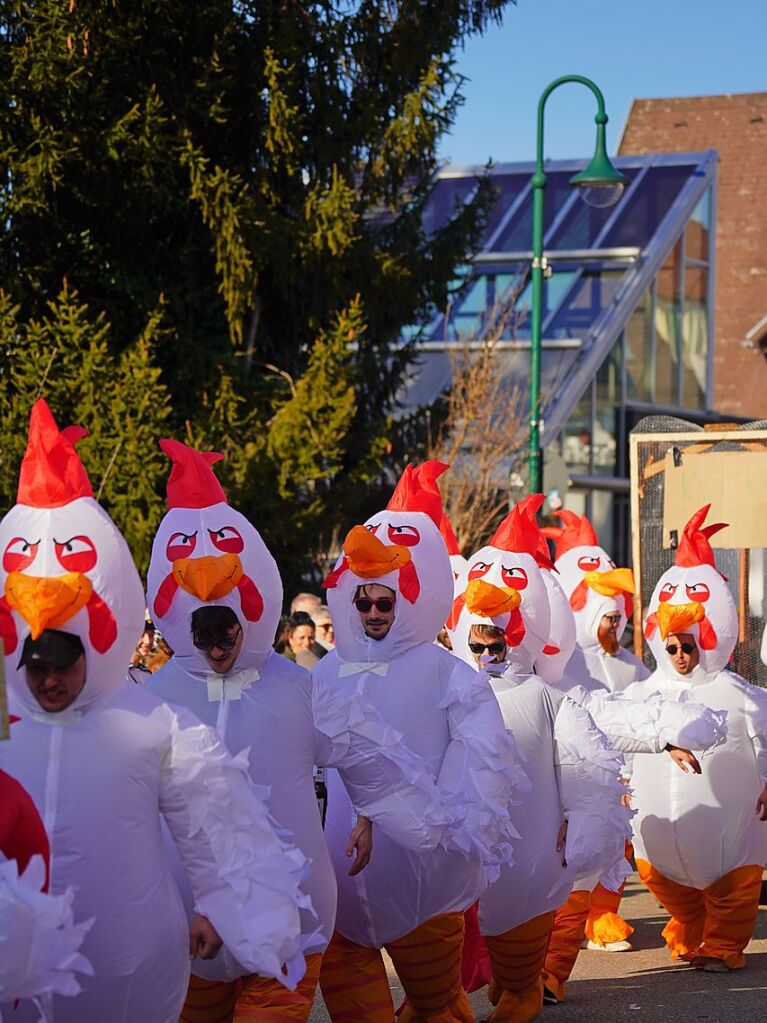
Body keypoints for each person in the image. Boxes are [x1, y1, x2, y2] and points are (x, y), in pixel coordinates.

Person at [0, 401, 309, 1023]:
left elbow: (216, 822)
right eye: (37, 663)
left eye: (66, 659)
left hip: (131, 966)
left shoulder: (155, 721)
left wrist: (222, 903)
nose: (51, 678)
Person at [146, 439, 430, 1023]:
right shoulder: (153, 696)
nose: (218, 647)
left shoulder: (301, 687)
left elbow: (364, 753)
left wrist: (375, 814)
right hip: (188, 931)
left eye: (227, 632)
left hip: (290, 920)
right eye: (203, 635)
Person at [315, 461, 523, 1023]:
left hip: (421, 884)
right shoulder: (327, 671)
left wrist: (424, 822)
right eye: (365, 603)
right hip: (339, 885)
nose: (375, 614)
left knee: (438, 1007)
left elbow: (483, 761)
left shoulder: (447, 671)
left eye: (386, 603)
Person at [447, 503, 631, 1023]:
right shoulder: (448, 687)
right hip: (459, 860)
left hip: (529, 861)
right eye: (477, 642)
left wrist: (588, 832)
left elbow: (587, 769)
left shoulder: (549, 696)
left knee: (519, 969)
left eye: (495, 642)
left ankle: (522, 988)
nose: (486, 653)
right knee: (452, 955)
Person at [624, 505, 767, 972]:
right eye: (673, 646)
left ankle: (725, 942)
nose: (681, 655)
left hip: (733, 838)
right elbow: (620, 737)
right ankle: (688, 920)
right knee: (657, 873)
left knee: (735, 882)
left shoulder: (741, 695)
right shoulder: (642, 693)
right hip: (656, 845)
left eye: (690, 645)